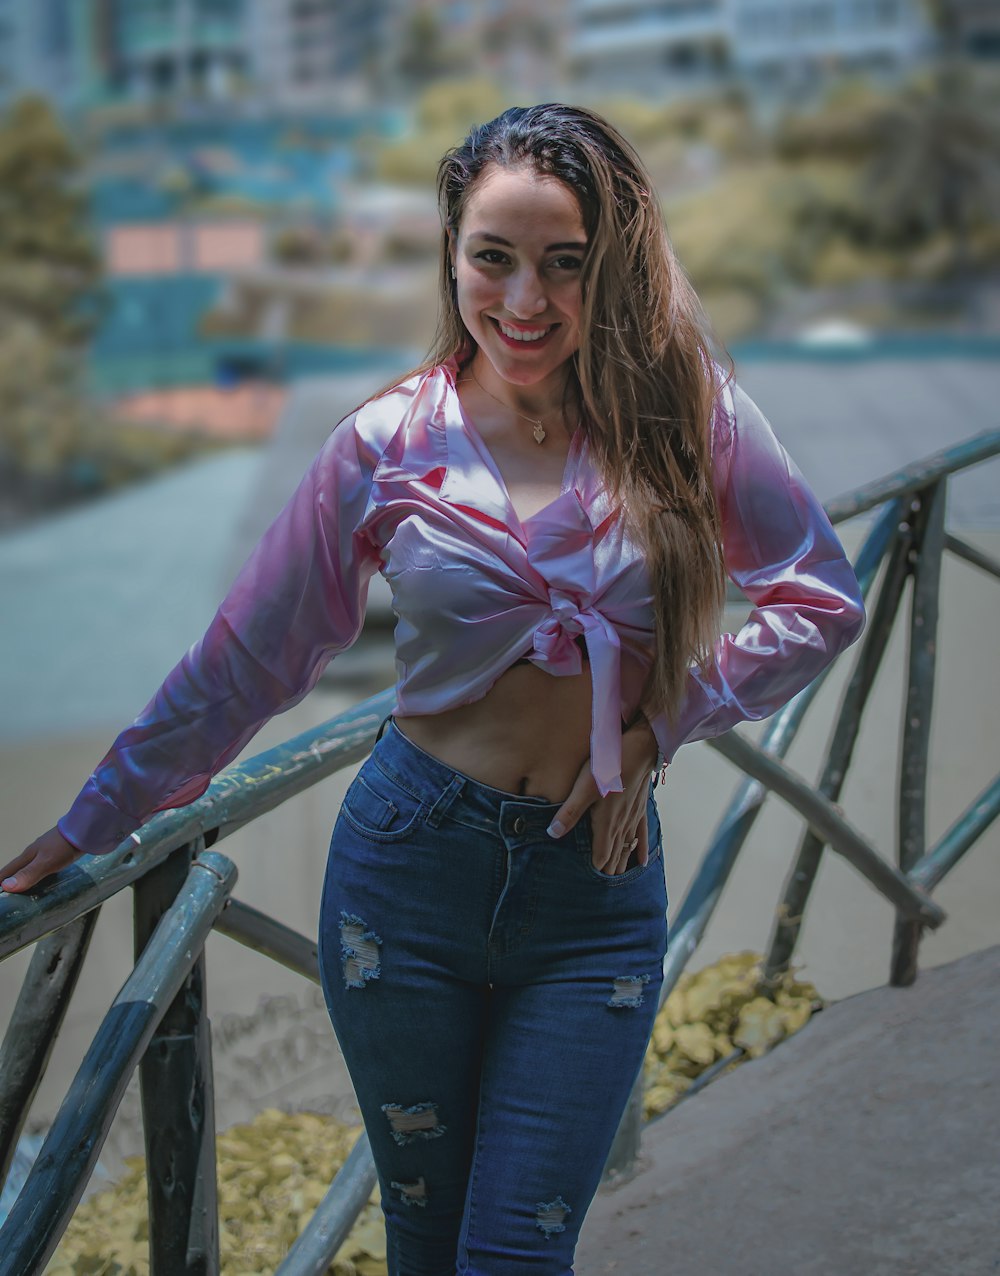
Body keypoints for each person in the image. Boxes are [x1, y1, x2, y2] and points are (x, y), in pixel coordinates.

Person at [1, 104, 866, 1273]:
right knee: (423, 1234)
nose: (525, 302)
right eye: (492, 260)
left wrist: (664, 722)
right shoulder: (384, 444)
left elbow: (819, 593)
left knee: (514, 1249)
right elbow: (252, 658)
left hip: (591, 890)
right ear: (451, 255)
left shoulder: (687, 418)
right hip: (405, 876)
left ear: (611, 266)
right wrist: (96, 816)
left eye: (565, 265)